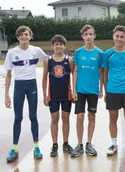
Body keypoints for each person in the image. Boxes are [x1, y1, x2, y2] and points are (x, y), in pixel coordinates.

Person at [4, 26, 47, 162]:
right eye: (21, 35)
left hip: (32, 84)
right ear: (18, 37)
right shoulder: (11, 53)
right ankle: (15, 148)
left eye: (26, 34)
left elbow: (48, 59)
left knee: (33, 116)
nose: (24, 36)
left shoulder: (36, 50)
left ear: (30, 36)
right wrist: (6, 95)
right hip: (19, 86)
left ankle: (36, 147)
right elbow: (9, 75)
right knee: (18, 117)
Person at [103, 25, 125, 157]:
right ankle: (114, 144)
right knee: (113, 117)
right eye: (117, 36)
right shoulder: (107, 54)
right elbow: (104, 73)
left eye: (122, 37)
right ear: (113, 37)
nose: (119, 39)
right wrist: (106, 90)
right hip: (112, 90)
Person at [71, 25, 103, 157]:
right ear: (82, 36)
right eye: (86, 34)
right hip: (80, 90)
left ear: (94, 36)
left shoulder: (100, 53)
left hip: (93, 91)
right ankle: (79, 144)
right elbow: (75, 71)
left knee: (91, 116)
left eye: (91, 34)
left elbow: (101, 71)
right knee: (79, 117)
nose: (88, 36)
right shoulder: (78, 52)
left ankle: (89, 143)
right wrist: (74, 90)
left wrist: (101, 89)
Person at [42, 35, 74, 157]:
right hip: (53, 95)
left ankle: (66, 143)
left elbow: (74, 76)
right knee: (54, 119)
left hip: (66, 95)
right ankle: (54, 144)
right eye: (56, 44)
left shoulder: (69, 60)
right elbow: (44, 78)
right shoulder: (48, 60)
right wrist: (44, 94)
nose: (58, 46)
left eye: (61, 44)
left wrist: (74, 92)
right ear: (52, 46)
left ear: (64, 46)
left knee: (66, 118)